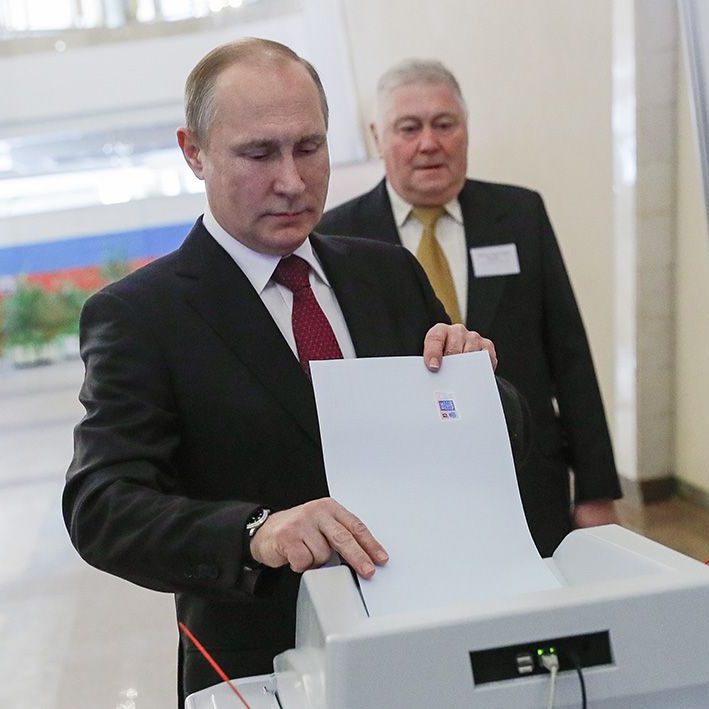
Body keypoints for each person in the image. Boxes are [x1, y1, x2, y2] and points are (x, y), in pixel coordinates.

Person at [63, 39, 528, 703]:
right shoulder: (143, 315)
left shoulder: (387, 274)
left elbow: (501, 444)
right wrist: (256, 532)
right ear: (194, 152)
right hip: (264, 660)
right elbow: (102, 506)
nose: (291, 180)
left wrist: (478, 389)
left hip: (429, 640)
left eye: (309, 147)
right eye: (258, 154)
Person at [319, 59, 622, 557]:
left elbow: (569, 355)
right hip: (406, 495)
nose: (429, 143)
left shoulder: (520, 215)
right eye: (409, 128)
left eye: (444, 124)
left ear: (466, 129)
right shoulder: (337, 237)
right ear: (378, 137)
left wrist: (596, 490)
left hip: (529, 477)